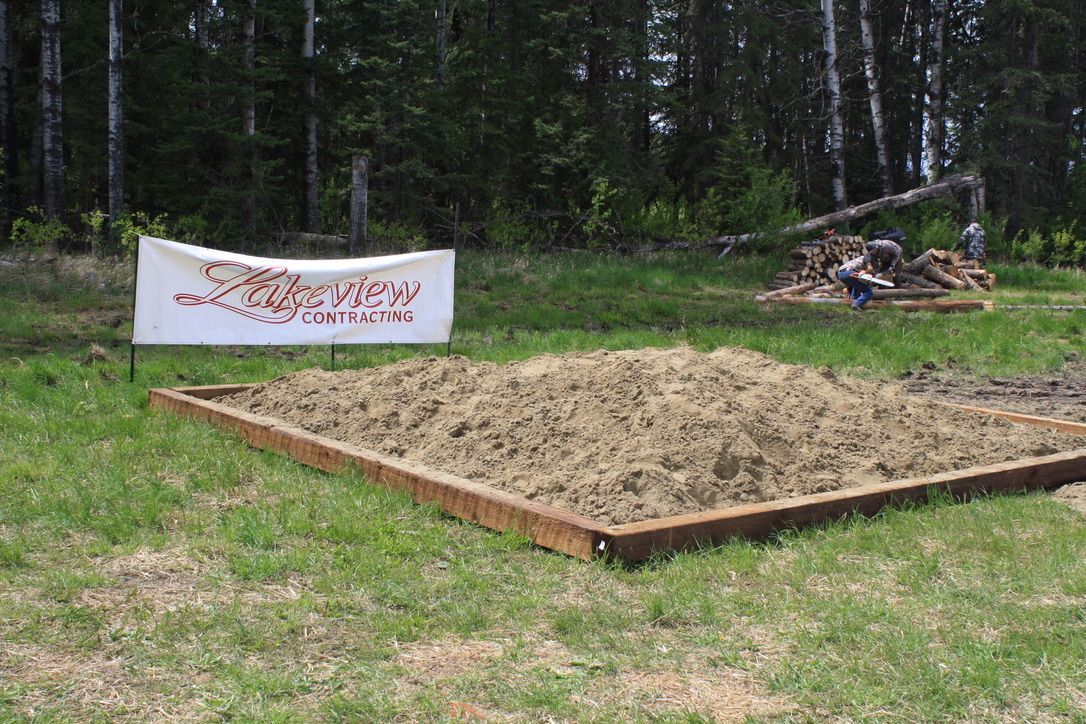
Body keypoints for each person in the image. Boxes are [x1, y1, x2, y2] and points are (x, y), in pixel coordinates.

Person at [837, 239, 903, 311]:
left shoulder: (886, 246)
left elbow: (897, 253)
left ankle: (854, 303)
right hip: (850, 273)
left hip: (841, 274)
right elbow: (866, 263)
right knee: (868, 292)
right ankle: (856, 304)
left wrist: (892, 265)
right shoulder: (869, 258)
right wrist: (868, 269)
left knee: (857, 286)